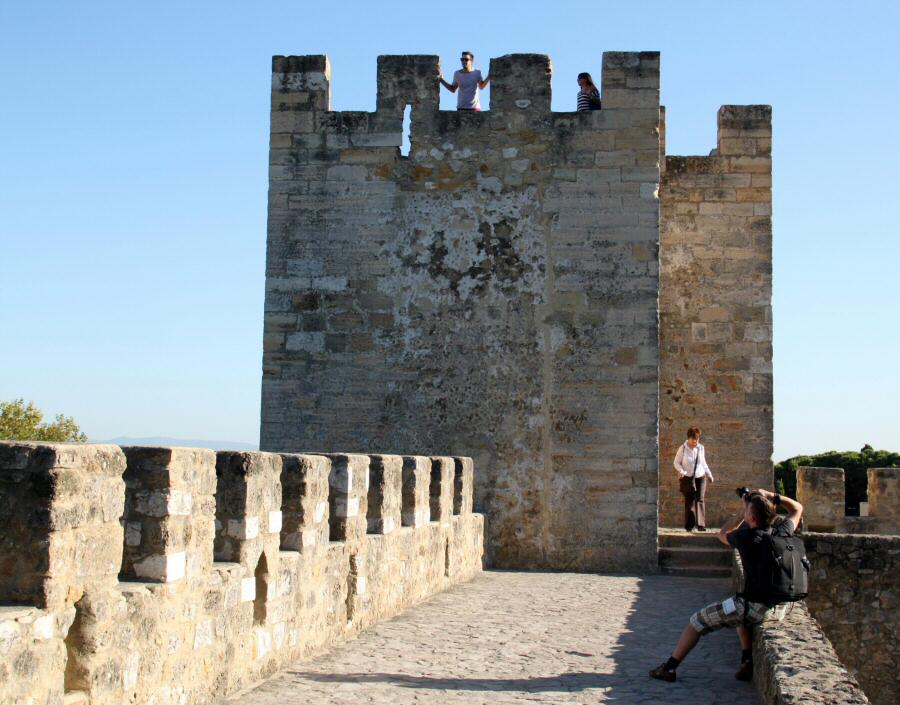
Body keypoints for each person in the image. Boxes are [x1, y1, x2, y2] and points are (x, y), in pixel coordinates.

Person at [649, 488, 804, 683]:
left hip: (756, 608)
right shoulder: (781, 532)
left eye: (749, 512)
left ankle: (669, 668)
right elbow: (798, 508)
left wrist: (741, 513)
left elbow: (722, 534)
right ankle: (747, 660)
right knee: (739, 608)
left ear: (752, 518)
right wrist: (772, 495)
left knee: (696, 621)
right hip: (780, 608)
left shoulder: (746, 538)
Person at [673, 427, 714, 531]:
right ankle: (689, 526)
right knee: (689, 502)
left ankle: (701, 525)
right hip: (687, 478)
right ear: (689, 438)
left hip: (700, 477)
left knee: (700, 500)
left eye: (697, 439)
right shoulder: (682, 448)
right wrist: (682, 471)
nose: (695, 442)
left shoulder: (701, 448)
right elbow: (676, 462)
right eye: (693, 440)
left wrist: (709, 474)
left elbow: (703, 462)